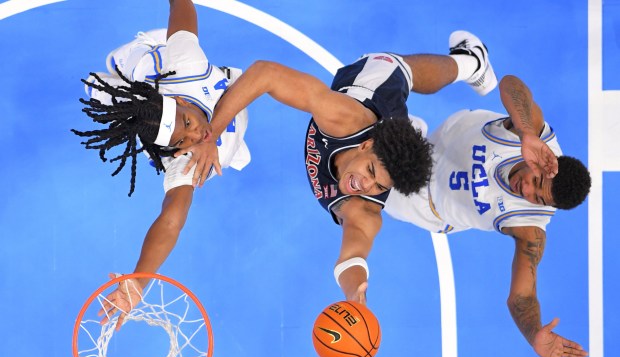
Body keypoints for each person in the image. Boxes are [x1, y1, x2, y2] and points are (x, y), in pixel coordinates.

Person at [179, 30, 558, 306]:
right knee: (396, 66)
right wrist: (211, 132)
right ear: (366, 146)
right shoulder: (344, 119)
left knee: (402, 182)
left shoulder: (365, 206)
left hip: (396, 146)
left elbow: (351, 258)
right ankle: (470, 62)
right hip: (374, 94)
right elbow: (265, 73)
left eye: (378, 186)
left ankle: (417, 136)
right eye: (373, 171)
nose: (363, 184)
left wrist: (354, 296)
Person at [383, 74, 591, 357]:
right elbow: (511, 84)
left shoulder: (530, 228)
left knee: (365, 167)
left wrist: (533, 334)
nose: (527, 191)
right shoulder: (537, 139)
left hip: (423, 200)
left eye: (539, 199)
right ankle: (470, 64)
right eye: (535, 181)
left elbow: (521, 297)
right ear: (549, 165)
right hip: (452, 134)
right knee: (385, 83)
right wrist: (526, 131)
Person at [71, 0, 251, 327]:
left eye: (186, 123)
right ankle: (112, 95)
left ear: (181, 101)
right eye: (182, 141)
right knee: (99, 88)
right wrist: (140, 280)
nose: (195, 136)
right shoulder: (186, 161)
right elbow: (171, 220)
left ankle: (130, 72)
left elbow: (181, 6)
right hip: (184, 98)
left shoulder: (187, 65)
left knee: (120, 71)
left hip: (158, 67)